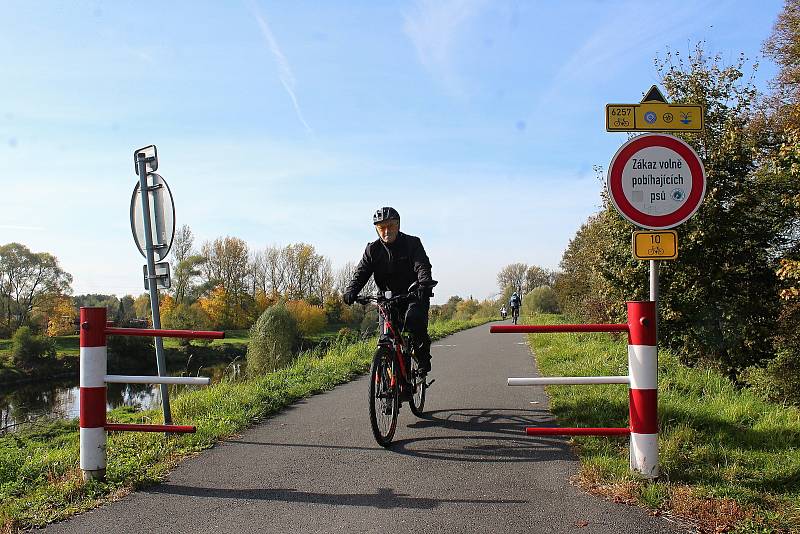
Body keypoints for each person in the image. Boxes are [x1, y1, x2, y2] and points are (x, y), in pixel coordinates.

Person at [343, 207, 436, 372]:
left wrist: (424, 283)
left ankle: (422, 360)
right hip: (387, 300)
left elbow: (422, 266)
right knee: (386, 338)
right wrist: (351, 291)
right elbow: (361, 273)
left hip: (413, 295)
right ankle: (388, 376)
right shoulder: (372, 250)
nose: (387, 231)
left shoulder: (412, 244)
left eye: (391, 226)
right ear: (377, 229)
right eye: (382, 227)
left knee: (414, 322)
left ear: (398, 225)